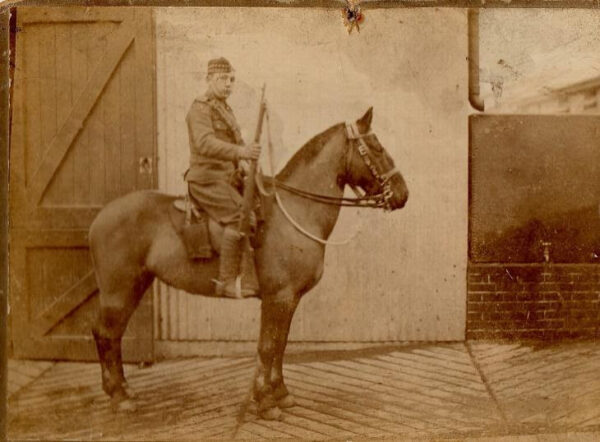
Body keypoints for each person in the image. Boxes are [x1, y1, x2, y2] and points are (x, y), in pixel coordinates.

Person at [185, 57, 261, 298]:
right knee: (241, 216)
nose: (228, 84)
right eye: (222, 79)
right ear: (209, 80)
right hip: (206, 178)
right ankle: (226, 281)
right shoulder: (200, 108)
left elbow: (236, 144)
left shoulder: (225, 109)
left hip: (226, 177)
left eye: (231, 79)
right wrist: (241, 152)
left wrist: (246, 162)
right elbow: (205, 143)